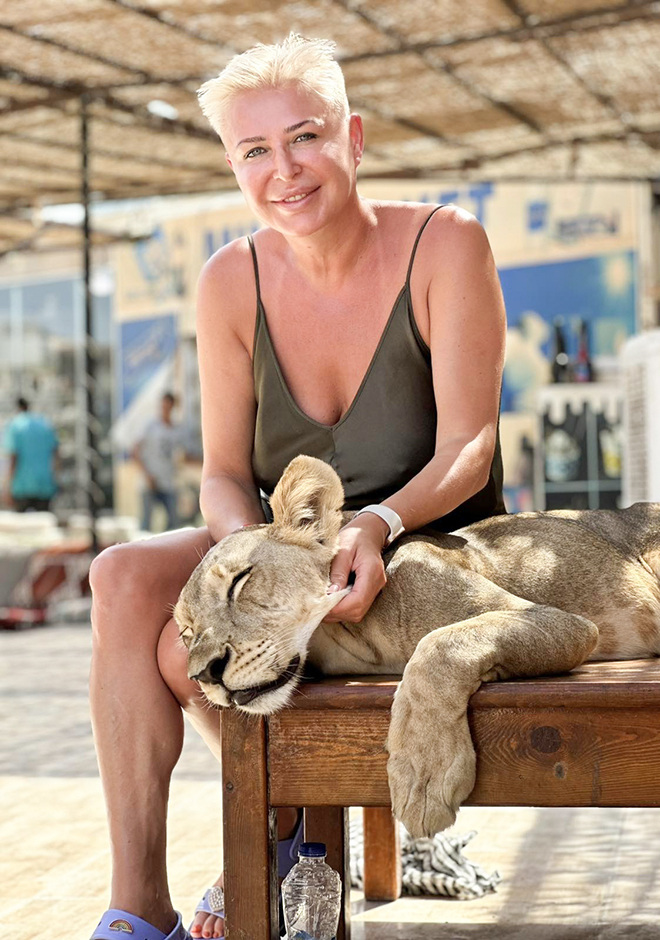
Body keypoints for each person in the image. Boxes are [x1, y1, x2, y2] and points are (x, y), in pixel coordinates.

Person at [88, 34, 506, 940]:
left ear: (352, 138)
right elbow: (222, 473)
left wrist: (379, 521)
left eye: (304, 137)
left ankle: (276, 832)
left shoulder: (446, 244)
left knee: (183, 656)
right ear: (234, 167)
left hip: (427, 547)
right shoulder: (229, 280)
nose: (283, 170)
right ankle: (138, 904)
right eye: (254, 150)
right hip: (289, 551)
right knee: (119, 576)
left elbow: (471, 447)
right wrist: (254, 557)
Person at [133, 391, 183, 531]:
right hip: (150, 482)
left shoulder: (176, 430)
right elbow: (135, 451)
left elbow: (181, 455)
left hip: (169, 482)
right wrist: (146, 475)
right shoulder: (150, 426)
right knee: (146, 523)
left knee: (174, 523)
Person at [2, 396, 58, 512]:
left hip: (21, 485)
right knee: (43, 520)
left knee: (20, 521)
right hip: (44, 484)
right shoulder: (44, 425)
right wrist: (55, 478)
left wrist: (7, 486)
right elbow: (56, 454)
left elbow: (13, 458)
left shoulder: (15, 426)